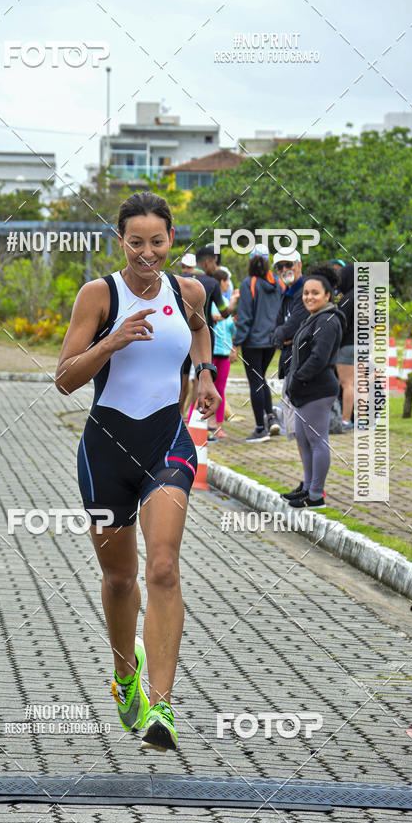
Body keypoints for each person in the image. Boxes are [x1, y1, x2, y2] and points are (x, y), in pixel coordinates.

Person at [55, 191, 221, 752]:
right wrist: (113, 340)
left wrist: (203, 373)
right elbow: (65, 378)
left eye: (157, 241)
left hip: (166, 443)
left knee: (164, 568)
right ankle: (126, 677)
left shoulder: (189, 290)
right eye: (136, 241)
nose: (147, 252)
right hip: (105, 450)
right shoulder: (98, 295)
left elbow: (202, 330)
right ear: (120, 240)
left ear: (171, 240)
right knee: (120, 579)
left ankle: (164, 707)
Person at [283, 264, 346, 509]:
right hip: (305, 390)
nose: (309, 297)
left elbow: (319, 358)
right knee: (303, 438)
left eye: (315, 293)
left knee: (317, 441)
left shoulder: (329, 320)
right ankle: (308, 487)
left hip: (317, 390)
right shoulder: (315, 317)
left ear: (328, 295)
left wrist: (298, 379)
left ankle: (316, 495)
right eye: (306, 292)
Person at [233, 244, 285, 442]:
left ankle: (260, 428)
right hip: (272, 340)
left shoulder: (249, 283)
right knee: (260, 378)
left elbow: (245, 316)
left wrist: (237, 342)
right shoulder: (279, 283)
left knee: (255, 381)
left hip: (253, 341)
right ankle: (271, 418)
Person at [180, 245, 239, 417]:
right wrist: (233, 302)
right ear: (207, 262)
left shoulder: (179, 279)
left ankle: (179, 417)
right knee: (202, 376)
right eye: (214, 263)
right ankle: (198, 418)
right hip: (203, 337)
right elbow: (223, 311)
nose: (216, 267)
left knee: (182, 378)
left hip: (181, 334)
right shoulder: (212, 283)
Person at [271, 250, 308, 498]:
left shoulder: (306, 290)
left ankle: (313, 487)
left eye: (288, 264)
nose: (285, 269)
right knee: (296, 431)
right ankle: (307, 482)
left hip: (302, 367)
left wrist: (283, 337)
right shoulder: (287, 293)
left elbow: (294, 327)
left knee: (306, 431)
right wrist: (281, 337)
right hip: (288, 366)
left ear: (299, 264)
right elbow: (277, 331)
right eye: (279, 266)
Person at [207, 268, 237, 441]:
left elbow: (230, 328)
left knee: (220, 390)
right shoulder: (209, 302)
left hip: (224, 354)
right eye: (226, 281)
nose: (228, 285)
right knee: (204, 388)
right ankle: (196, 422)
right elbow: (212, 319)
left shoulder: (225, 303)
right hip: (210, 352)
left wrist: (233, 324)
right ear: (220, 283)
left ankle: (217, 425)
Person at [335, 263, 355, 431]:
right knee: (359, 383)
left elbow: (340, 323)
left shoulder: (348, 298)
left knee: (346, 383)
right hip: (363, 345)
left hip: (347, 345)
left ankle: (345, 420)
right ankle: (363, 420)